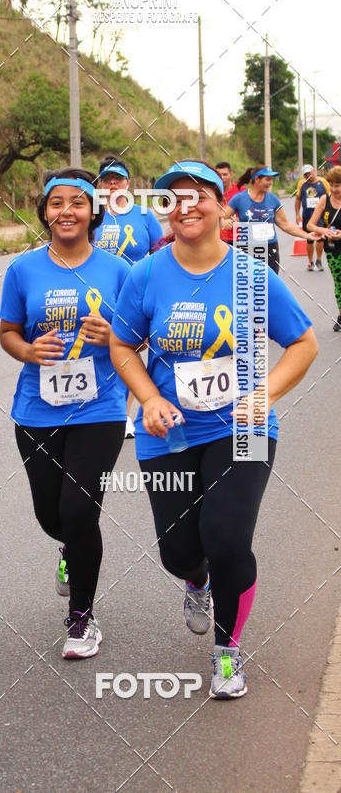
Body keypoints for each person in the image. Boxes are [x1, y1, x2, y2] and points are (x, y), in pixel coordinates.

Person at [110, 158, 318, 699]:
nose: (187, 204)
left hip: (242, 429)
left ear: (222, 205)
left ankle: (227, 649)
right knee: (180, 552)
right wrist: (149, 397)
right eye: (173, 197)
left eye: (198, 193)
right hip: (169, 432)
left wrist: (265, 394)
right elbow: (121, 345)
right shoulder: (147, 275)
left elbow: (304, 344)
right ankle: (195, 581)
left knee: (226, 539)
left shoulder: (251, 275)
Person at [0, 167, 129, 659]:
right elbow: (9, 331)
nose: (66, 211)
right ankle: (69, 550)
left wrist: (113, 335)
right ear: (45, 212)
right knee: (51, 515)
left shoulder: (119, 270)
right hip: (36, 409)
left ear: (94, 211)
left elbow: (139, 336)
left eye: (78, 202)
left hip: (100, 407)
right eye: (57, 203)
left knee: (79, 511)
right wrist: (28, 352)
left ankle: (81, 619)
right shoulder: (23, 270)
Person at [94, 155, 162, 438]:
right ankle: (98, 408)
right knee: (100, 349)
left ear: (128, 183)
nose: (112, 185)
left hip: (135, 295)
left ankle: (122, 415)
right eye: (107, 180)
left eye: (118, 179)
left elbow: (160, 253)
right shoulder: (93, 214)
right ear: (99, 184)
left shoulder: (144, 215)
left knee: (129, 349)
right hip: (98, 293)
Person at [224, 165, 318, 274]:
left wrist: (307, 235)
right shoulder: (239, 199)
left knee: (269, 285)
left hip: (269, 247)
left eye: (272, 180)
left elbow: (285, 224)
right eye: (268, 179)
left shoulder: (273, 199)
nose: (271, 183)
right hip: (246, 247)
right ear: (257, 179)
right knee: (247, 286)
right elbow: (221, 218)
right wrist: (225, 222)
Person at [307, 165, 341, 330]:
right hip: (333, 249)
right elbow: (310, 225)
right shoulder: (324, 200)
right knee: (339, 282)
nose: (334, 189)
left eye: (337, 185)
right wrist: (324, 230)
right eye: (331, 185)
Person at [295, 164, 328, 271]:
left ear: (314, 171)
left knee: (320, 238)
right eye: (305, 174)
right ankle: (310, 261)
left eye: (309, 173)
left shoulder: (322, 182)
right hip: (307, 215)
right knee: (309, 239)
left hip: (320, 216)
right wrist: (297, 214)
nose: (307, 175)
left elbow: (330, 196)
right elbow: (298, 199)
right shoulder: (302, 183)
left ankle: (319, 260)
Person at [215, 161, 238, 244]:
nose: (222, 177)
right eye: (219, 175)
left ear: (231, 174)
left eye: (225, 174)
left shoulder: (241, 191)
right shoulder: (211, 192)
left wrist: (237, 220)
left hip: (239, 239)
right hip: (218, 239)